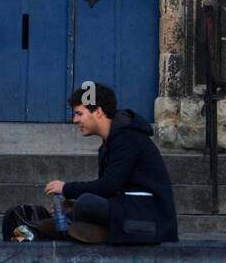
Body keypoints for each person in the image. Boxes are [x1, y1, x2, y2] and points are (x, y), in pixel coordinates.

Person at [44, 83, 178, 244]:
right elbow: (109, 192)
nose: (75, 120)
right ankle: (91, 229)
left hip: (150, 220)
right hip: (127, 210)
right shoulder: (110, 143)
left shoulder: (127, 138)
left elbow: (108, 186)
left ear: (98, 112)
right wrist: (73, 205)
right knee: (72, 211)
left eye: (79, 114)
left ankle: (101, 231)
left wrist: (66, 188)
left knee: (86, 203)